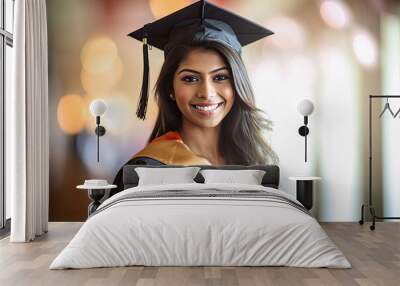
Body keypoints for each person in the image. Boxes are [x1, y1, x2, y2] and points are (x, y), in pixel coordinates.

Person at [112, 0, 278, 194]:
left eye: (220, 77)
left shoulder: (255, 162)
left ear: (237, 83)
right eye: (190, 78)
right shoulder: (147, 170)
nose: (206, 93)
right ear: (170, 88)